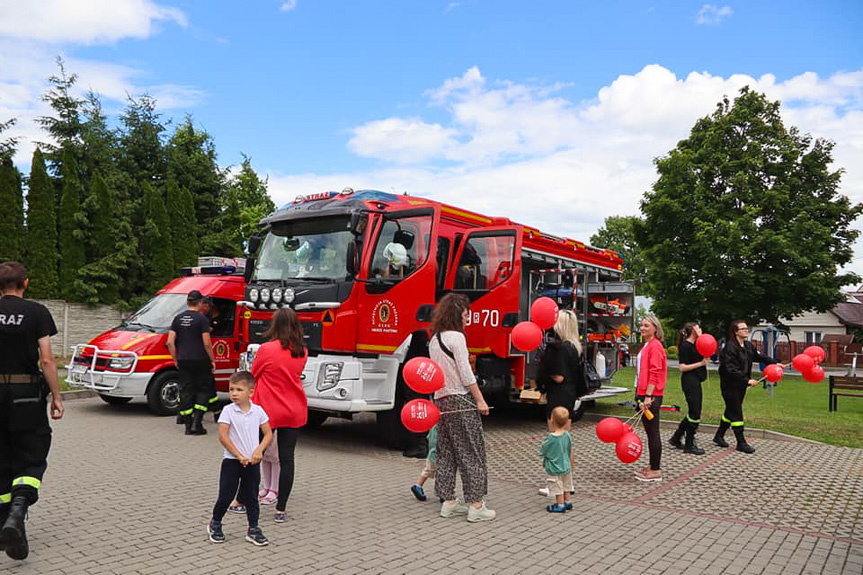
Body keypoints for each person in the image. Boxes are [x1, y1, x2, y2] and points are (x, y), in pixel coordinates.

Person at [0, 262, 63, 561]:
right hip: (26, 395)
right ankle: (17, 512)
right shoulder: (38, 312)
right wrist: (57, 397)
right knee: (31, 454)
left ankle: (7, 524)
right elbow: (48, 360)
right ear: (25, 283)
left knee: (2, 459)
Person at [429, 293, 495, 523]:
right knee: (472, 452)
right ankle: (476, 504)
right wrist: (479, 399)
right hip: (460, 400)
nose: (469, 318)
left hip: (441, 401)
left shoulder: (435, 339)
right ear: (458, 313)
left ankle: (447, 501)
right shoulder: (457, 338)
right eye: (467, 314)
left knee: (446, 452)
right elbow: (466, 373)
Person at [250, 307, 308, 523]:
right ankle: (280, 509)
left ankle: (244, 498)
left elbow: (254, 374)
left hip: (268, 410)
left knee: (255, 453)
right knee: (287, 459)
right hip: (294, 409)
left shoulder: (266, 349)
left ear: (274, 324)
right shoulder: (302, 350)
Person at [207, 371, 272, 546]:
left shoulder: (258, 411)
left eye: (239, 389)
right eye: (231, 389)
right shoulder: (228, 411)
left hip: (252, 462)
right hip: (232, 462)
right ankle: (215, 523)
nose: (234, 393)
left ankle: (253, 529)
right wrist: (238, 455)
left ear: (251, 392)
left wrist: (259, 450)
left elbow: (268, 434)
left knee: (251, 497)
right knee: (226, 496)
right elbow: (223, 436)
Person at [714, 320, 777, 454]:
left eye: (746, 328)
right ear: (736, 332)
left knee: (730, 410)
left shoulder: (748, 346)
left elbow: (759, 357)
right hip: (729, 385)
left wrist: (775, 363)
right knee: (736, 412)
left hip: (741, 385)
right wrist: (747, 380)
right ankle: (741, 442)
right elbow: (730, 369)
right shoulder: (730, 348)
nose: (746, 330)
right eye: (743, 329)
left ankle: (719, 436)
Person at [167, 290, 216, 435]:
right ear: (200, 302)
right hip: (200, 360)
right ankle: (197, 424)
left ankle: (187, 426)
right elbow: (207, 343)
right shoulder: (202, 320)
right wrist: (212, 360)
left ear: (187, 302)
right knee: (203, 390)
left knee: (185, 391)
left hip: (183, 360)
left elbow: (170, 342)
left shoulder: (177, 319)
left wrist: (176, 359)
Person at [634, 314, 667, 482]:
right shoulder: (647, 345)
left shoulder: (655, 346)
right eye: (641, 325)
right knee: (649, 431)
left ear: (655, 328)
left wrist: (648, 395)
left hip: (651, 395)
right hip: (644, 393)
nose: (642, 328)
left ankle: (655, 470)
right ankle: (652, 465)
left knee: (653, 432)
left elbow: (655, 372)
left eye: (647, 325)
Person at [537, 309, 584, 426]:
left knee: (556, 431)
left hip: (558, 396)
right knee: (564, 432)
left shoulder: (559, 349)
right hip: (570, 393)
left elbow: (559, 377)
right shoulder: (575, 347)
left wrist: (543, 370)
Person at [669, 322, 708, 455]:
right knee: (695, 413)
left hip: (696, 380)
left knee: (693, 411)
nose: (701, 329)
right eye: (698, 328)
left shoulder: (696, 345)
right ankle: (689, 444)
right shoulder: (686, 346)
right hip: (690, 382)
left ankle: (676, 438)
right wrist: (701, 363)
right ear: (693, 330)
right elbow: (682, 367)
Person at [539, 406, 574, 513]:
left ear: (552, 420)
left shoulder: (552, 438)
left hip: (555, 467)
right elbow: (570, 449)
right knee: (566, 485)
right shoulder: (567, 434)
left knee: (557, 486)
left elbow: (543, 450)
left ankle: (560, 505)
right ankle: (567, 502)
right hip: (566, 465)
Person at [410, 425, 437, 501]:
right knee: (432, 471)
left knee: (429, 470)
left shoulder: (433, 426)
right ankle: (418, 485)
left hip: (432, 454)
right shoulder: (439, 426)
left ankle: (418, 486)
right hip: (436, 455)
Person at [258, 431, 279, 506]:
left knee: (275, 456)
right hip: (264, 424)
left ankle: (274, 489)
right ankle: (266, 487)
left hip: (276, 426)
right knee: (264, 455)